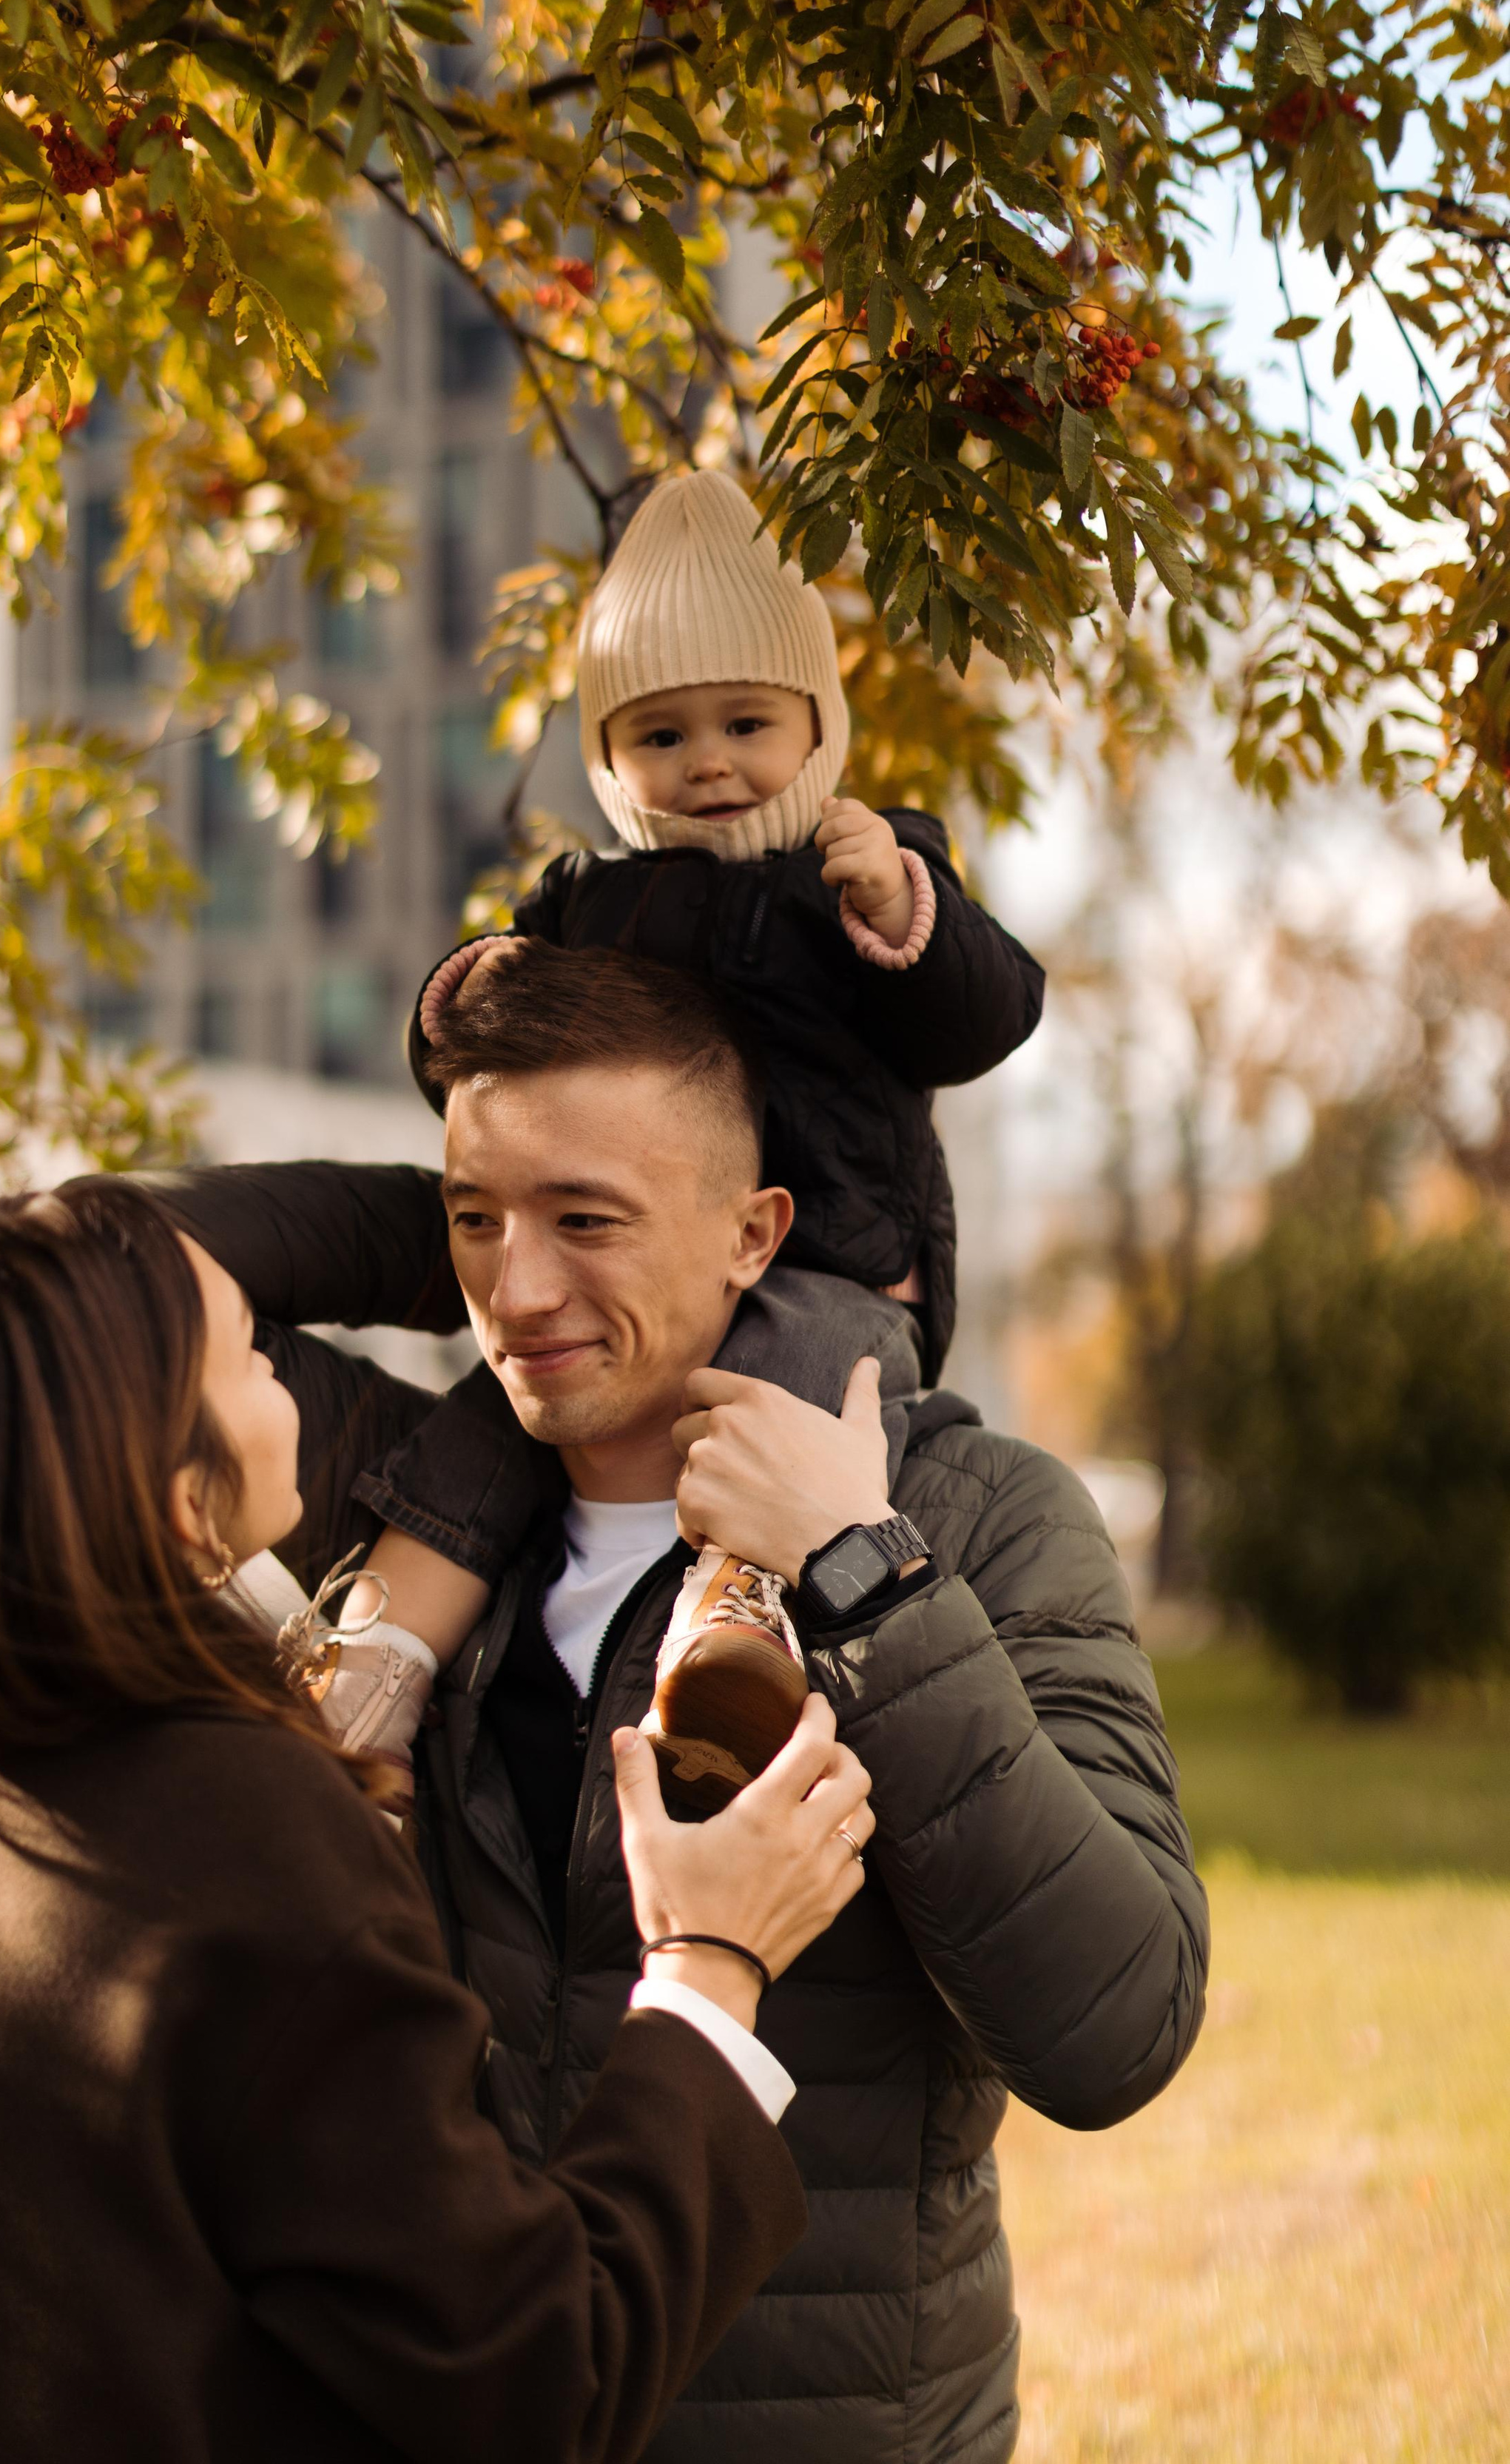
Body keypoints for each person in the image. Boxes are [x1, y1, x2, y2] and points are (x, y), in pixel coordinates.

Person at [148, 940, 1210, 2464]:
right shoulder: (407, 1512)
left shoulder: (976, 1517)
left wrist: (865, 1578)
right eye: (473, 1223)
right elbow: (100, 1266)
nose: (512, 1294)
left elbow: (1116, 2028)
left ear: (752, 1232)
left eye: (587, 1219)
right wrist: (445, 1210)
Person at [0, 1177, 877, 2464]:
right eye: (246, 1352)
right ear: (177, 1498)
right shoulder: (228, 1828)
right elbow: (529, 2385)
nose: (291, 1379)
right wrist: (705, 1971)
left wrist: (512, 1210)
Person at [296, 470, 1046, 1806]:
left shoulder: (862, 864)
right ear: (606, 760)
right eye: (659, 736)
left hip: (839, 1271)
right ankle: (379, 1668)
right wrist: (461, 993)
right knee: (486, 1421)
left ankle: (731, 1637)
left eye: (747, 722)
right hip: (645, 1268)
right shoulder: (587, 900)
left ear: (819, 725)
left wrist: (905, 910)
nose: (707, 762)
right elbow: (491, 1069)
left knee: (783, 1413)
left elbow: (984, 1022)